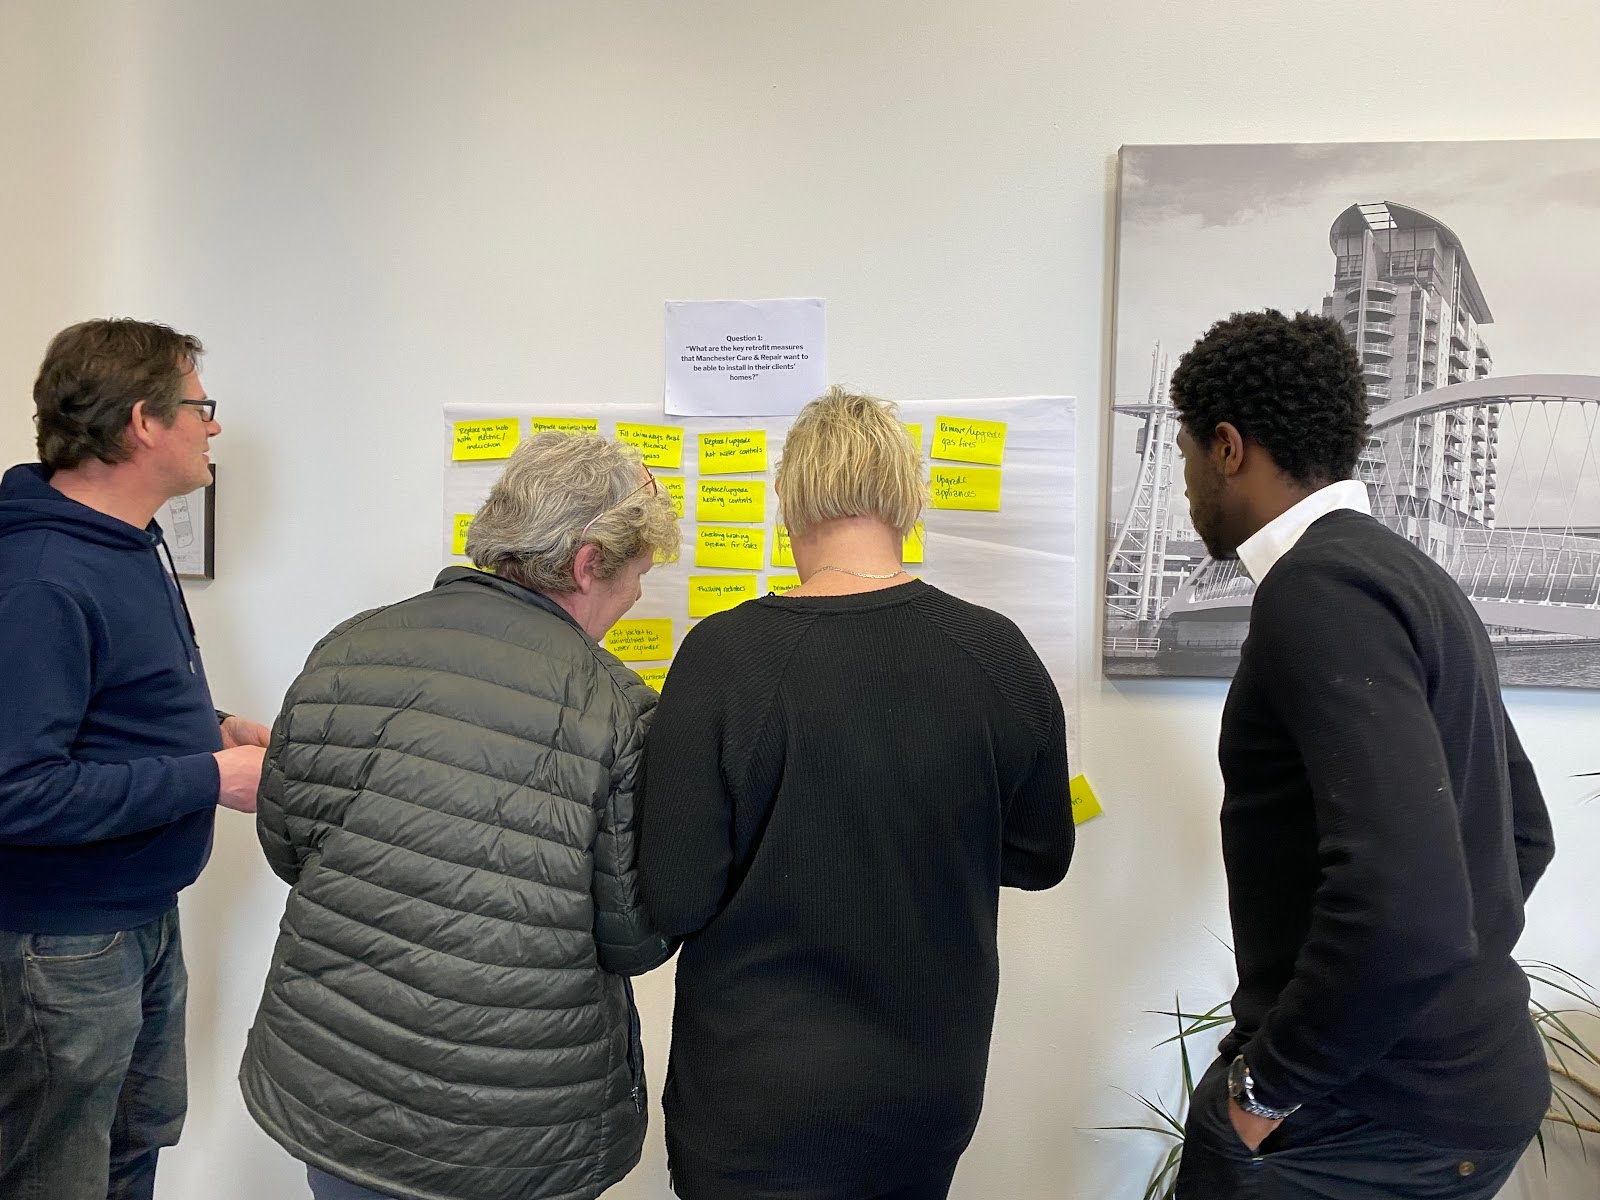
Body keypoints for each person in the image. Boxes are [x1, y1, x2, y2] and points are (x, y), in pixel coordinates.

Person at [638, 387, 1075, 1200]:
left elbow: (674, 895)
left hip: (751, 1095)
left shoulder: (723, 656)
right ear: (909, 501)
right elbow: (1042, 855)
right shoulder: (996, 652)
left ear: (788, 503)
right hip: (926, 1086)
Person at [1168, 310, 1556, 1199]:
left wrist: (1264, 1093)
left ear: (1228, 447)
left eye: (1188, 454)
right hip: (1458, 1090)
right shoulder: (1411, 574)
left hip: (1365, 1117)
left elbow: (1409, 903)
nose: (1188, 484)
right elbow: (1522, 835)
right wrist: (1444, 1002)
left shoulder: (1317, 590)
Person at [239, 431, 681, 1200]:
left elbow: (287, 844)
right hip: (511, 1128)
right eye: (638, 576)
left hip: (340, 1095)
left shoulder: (352, 647)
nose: (637, 596)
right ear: (586, 564)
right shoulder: (618, 710)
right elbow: (632, 936)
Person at [0, 318, 269, 1198]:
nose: (214, 427)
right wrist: (209, 777)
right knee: (57, 1175)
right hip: (62, 943)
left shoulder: (124, 540)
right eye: (201, 406)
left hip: (139, 914)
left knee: (129, 1151)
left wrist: (212, 726)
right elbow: (17, 793)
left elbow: (101, 704)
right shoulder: (42, 575)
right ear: (144, 421)